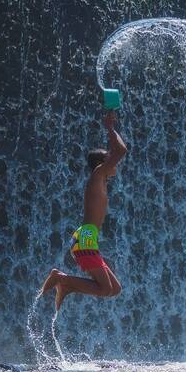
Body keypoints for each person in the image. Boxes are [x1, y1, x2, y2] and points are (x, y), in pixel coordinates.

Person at [40, 110, 128, 309]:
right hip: (85, 238)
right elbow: (121, 151)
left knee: (114, 289)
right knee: (105, 289)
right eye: (109, 158)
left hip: (88, 238)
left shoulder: (101, 180)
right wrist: (110, 127)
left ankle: (67, 286)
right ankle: (61, 279)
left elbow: (118, 153)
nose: (116, 163)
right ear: (101, 163)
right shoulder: (98, 174)